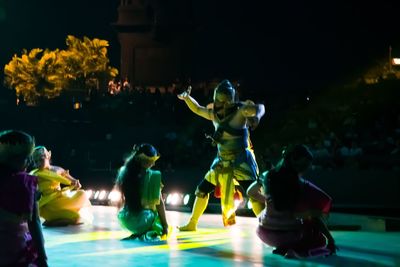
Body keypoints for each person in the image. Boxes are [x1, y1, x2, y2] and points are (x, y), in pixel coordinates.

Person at [177, 80, 265, 231]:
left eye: (226, 100)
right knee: (202, 190)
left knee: (254, 194)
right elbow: (198, 109)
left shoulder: (241, 111)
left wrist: (256, 115)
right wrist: (186, 98)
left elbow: (260, 108)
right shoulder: (214, 114)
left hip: (241, 162)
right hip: (221, 162)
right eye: (220, 100)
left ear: (231, 100)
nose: (223, 104)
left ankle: (267, 225)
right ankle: (192, 223)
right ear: (216, 99)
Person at [248, 144, 337, 259]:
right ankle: (295, 249)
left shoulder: (267, 175)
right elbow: (310, 216)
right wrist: (330, 239)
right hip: (289, 236)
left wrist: (269, 201)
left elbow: (250, 192)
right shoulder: (300, 185)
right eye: (305, 165)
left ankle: (282, 247)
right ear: (295, 161)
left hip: (263, 233)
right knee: (314, 229)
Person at [0, 130, 48, 266]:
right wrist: (42, 258)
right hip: (16, 248)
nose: (29, 162)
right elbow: (35, 222)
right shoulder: (26, 183)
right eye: (26, 157)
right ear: (15, 159)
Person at [115, 143, 169, 241]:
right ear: (144, 160)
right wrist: (165, 225)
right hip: (144, 219)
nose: (153, 164)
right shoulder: (153, 176)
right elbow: (160, 203)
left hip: (126, 219)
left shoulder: (125, 173)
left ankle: (138, 232)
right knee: (156, 214)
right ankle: (146, 231)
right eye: (151, 161)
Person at [30, 146, 91, 226]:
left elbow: (74, 181)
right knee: (74, 217)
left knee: (81, 195)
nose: (38, 163)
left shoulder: (57, 169)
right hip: (48, 204)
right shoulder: (35, 174)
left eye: (41, 160)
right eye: (35, 161)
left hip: (59, 198)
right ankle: (53, 220)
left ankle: (54, 220)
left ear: (48, 156)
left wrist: (75, 183)